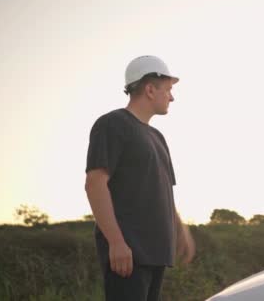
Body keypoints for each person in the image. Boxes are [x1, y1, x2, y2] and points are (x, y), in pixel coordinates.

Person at [84, 55, 195, 301]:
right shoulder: (112, 124)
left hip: (156, 253)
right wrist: (116, 243)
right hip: (129, 254)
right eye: (168, 89)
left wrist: (180, 231)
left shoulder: (158, 137)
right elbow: (95, 184)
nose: (172, 96)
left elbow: (163, 190)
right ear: (149, 89)